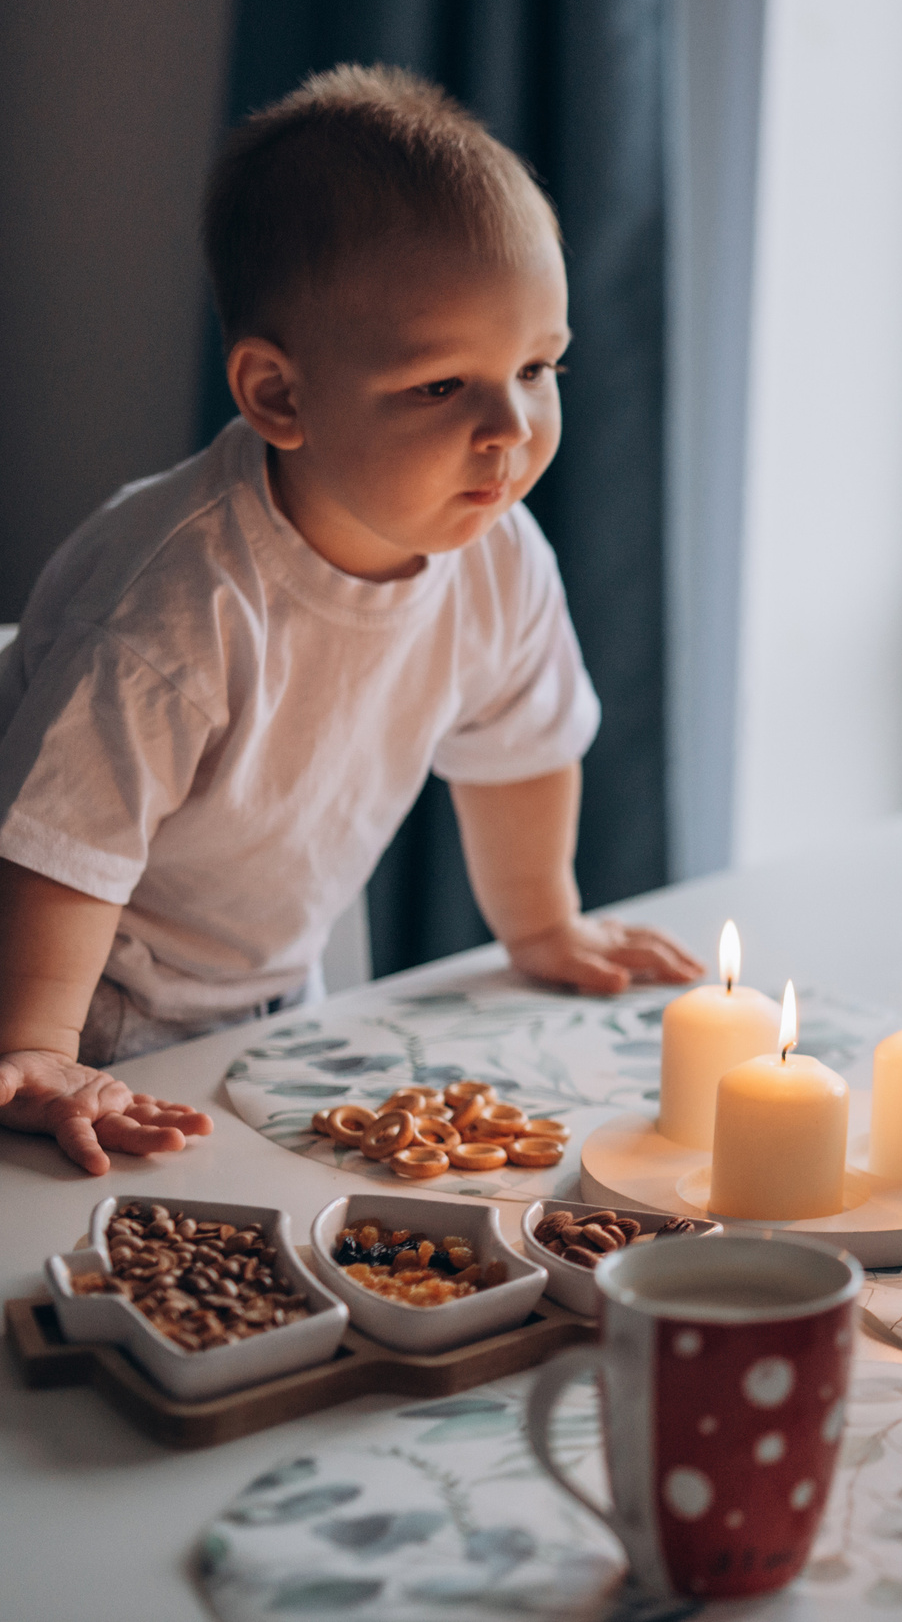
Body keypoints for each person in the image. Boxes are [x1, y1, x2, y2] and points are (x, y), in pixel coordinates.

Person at [0, 66, 700, 1177]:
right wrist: (36, 1047)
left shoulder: (496, 549)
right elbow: (60, 845)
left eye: (537, 366)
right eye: (441, 386)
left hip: (269, 989)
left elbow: (522, 744)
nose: (510, 427)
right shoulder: (179, 602)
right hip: (78, 1000)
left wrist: (542, 920)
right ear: (279, 396)